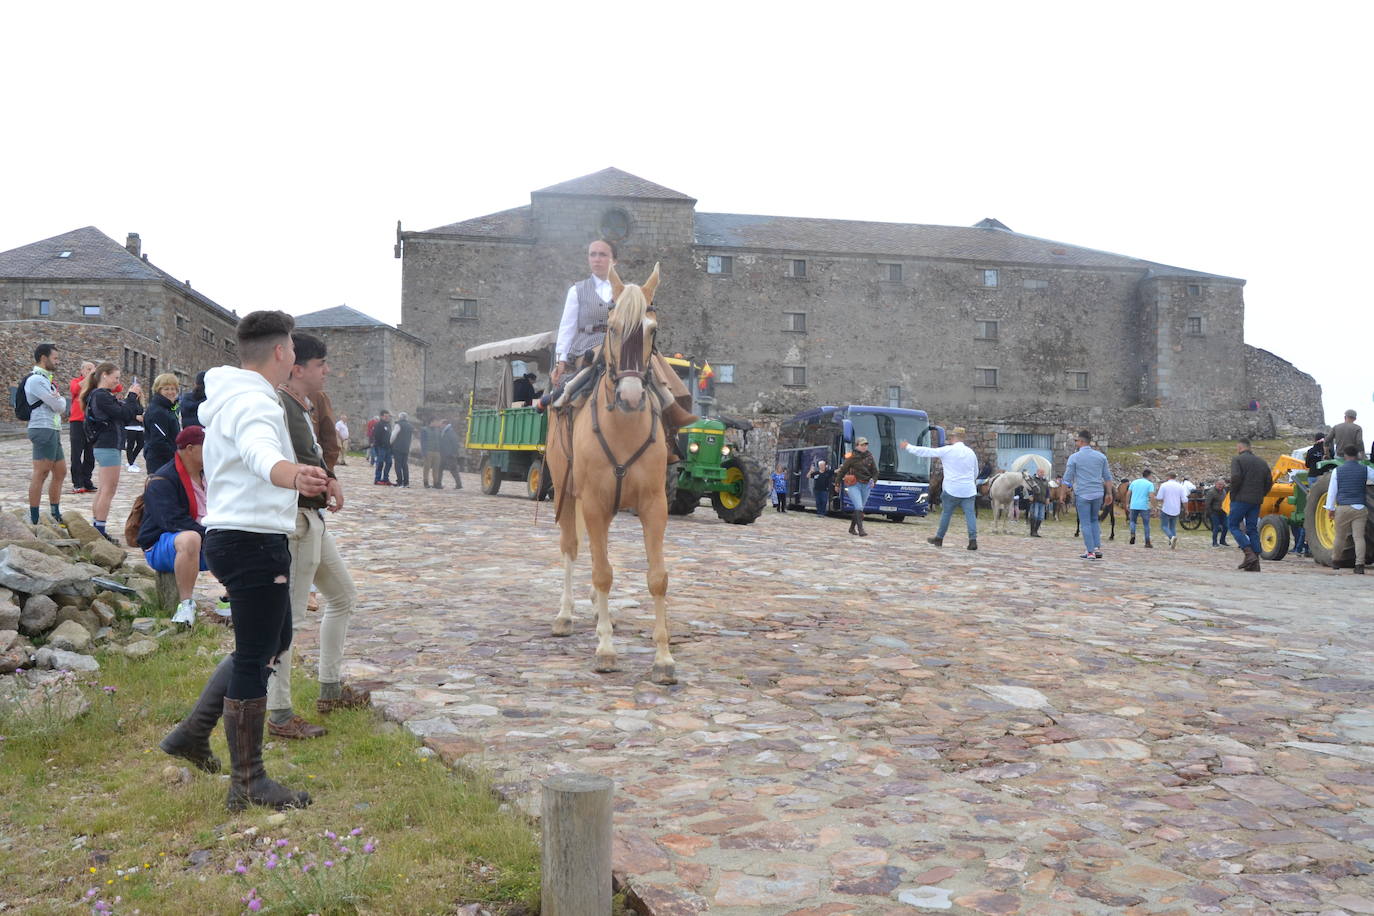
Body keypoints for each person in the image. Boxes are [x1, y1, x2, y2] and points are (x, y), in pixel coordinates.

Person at [159, 310, 328, 812]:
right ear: (282, 351)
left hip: (242, 535)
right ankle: (248, 781)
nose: (295, 356)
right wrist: (292, 475)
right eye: (294, 348)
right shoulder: (255, 400)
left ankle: (192, 733)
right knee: (257, 654)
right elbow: (259, 453)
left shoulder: (231, 395)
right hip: (252, 540)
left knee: (271, 640)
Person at [265, 332, 369, 740]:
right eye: (320, 363)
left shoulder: (303, 404)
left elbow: (314, 456)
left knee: (343, 597)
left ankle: (329, 689)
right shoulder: (280, 404)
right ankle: (279, 712)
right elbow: (286, 463)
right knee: (285, 621)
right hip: (296, 522)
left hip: (313, 521)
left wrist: (331, 479)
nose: (326, 370)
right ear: (298, 368)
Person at [548, 239, 697, 456]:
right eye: (593, 254)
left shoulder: (627, 291)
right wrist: (561, 361)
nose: (597, 259)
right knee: (596, 362)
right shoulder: (577, 291)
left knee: (652, 363)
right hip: (587, 347)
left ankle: (670, 421)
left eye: (602, 254)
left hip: (621, 344)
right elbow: (567, 327)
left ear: (614, 260)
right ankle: (568, 401)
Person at [138, 426, 211, 626]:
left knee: (240, 534)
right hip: (161, 544)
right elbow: (171, 521)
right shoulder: (162, 479)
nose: (213, 451)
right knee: (190, 538)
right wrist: (210, 534)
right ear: (190, 449)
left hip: (204, 540)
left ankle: (229, 601)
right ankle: (186, 605)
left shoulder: (209, 474)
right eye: (207, 447)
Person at [82, 363, 142, 541]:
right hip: (107, 445)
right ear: (104, 376)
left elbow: (128, 412)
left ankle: (97, 526)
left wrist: (132, 400)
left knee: (103, 489)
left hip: (106, 445)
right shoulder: (101, 396)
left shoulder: (103, 396)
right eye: (115, 377)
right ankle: (100, 530)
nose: (117, 381)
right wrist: (132, 395)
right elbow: (123, 414)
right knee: (109, 489)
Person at [901, 427, 979, 550]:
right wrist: (969, 482)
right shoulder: (971, 453)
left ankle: (939, 538)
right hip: (968, 489)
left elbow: (926, 452)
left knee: (946, 514)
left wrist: (908, 447)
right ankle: (972, 540)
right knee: (970, 515)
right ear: (963, 438)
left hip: (951, 489)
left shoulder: (948, 450)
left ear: (953, 438)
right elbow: (976, 472)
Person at [24, 343, 69, 525]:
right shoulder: (37, 380)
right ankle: (34, 517)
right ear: (44, 358)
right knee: (41, 473)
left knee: (60, 471)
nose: (57, 362)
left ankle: (55, 512)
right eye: (55, 358)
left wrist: (60, 401)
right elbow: (58, 405)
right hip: (42, 428)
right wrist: (59, 400)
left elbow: (60, 405)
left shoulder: (46, 379)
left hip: (52, 428)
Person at [1062, 430, 1114, 559]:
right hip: (1097, 493)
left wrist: (1062, 493)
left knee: (1085, 522)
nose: (1076, 443)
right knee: (1094, 520)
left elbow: (1067, 478)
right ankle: (1096, 548)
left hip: (1083, 493)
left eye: (1077, 441)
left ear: (1081, 441)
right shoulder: (1101, 457)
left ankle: (1089, 551)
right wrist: (1109, 493)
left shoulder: (1074, 458)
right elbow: (1107, 477)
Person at [1325, 444, 1374, 574]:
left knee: (1340, 537)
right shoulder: (1365, 469)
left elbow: (1332, 491)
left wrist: (1330, 508)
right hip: (1360, 507)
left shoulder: (1337, 470)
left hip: (1343, 508)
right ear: (1357, 455)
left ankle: (1335, 561)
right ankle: (1359, 565)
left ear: (1345, 456)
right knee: (1359, 537)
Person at [1227, 437, 1272, 572]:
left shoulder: (1238, 460)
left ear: (1240, 447)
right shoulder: (1262, 462)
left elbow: (1235, 478)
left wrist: (1232, 494)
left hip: (1240, 499)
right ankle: (1255, 563)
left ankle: (1248, 553)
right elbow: (1269, 481)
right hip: (1256, 500)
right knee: (1252, 528)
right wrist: (1261, 494)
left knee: (1233, 525)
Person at [836, 437, 878, 536]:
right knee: (858, 506)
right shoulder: (852, 457)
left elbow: (875, 472)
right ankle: (861, 530)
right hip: (854, 484)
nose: (864, 447)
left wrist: (874, 481)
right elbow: (842, 471)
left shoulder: (870, 457)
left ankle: (851, 528)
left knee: (859, 508)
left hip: (866, 485)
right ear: (857, 446)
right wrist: (837, 483)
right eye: (862, 445)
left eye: (865, 445)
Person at [143, 373, 182, 475]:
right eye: (166, 389)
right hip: (160, 461)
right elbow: (158, 441)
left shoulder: (168, 408)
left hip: (167, 460)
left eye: (173, 389)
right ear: (159, 390)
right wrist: (176, 457)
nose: (170, 392)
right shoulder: (158, 411)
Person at [67, 360, 97, 494]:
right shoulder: (76, 381)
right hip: (77, 422)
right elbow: (75, 389)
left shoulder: (95, 385)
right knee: (76, 454)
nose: (90, 372)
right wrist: (90, 377)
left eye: (92, 369)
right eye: (88, 369)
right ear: (82, 371)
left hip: (91, 422)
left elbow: (117, 388)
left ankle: (87, 480)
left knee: (90, 454)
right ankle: (77, 482)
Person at [1156, 471, 1187, 550]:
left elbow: (1159, 497)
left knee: (1164, 526)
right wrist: (1186, 509)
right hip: (1176, 509)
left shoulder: (1164, 485)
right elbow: (1184, 499)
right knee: (1172, 527)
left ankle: (1171, 537)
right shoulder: (1180, 486)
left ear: (1168, 476)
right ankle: (1172, 542)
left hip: (1166, 508)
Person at [1127, 469, 1156, 547]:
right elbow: (1151, 496)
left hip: (1133, 505)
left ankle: (1132, 534)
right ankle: (1147, 542)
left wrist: (1127, 503)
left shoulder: (1134, 482)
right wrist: (1154, 506)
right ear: (1149, 475)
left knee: (1132, 521)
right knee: (1146, 524)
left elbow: (1128, 493)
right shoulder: (1150, 484)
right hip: (1144, 506)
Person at [122, 385, 145, 473]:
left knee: (141, 444)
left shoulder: (139, 403)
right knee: (130, 445)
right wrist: (135, 417)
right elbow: (127, 412)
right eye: (136, 392)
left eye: (139, 392)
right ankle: (131, 463)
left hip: (139, 427)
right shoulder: (128, 401)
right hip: (130, 426)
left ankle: (131, 460)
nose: (138, 394)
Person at [439, 417, 463, 489]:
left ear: (445, 424)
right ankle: (438, 484)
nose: (440, 426)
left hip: (450, 454)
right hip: (443, 453)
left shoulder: (450, 431)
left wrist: (454, 453)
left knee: (453, 470)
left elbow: (455, 443)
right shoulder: (445, 431)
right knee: (439, 468)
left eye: (441, 424)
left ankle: (459, 484)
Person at [391, 412, 413, 488]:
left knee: (398, 465)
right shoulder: (410, 426)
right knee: (404, 465)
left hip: (398, 447)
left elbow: (394, 434)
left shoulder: (398, 424)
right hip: (406, 447)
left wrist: (390, 442)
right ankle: (406, 482)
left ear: (400, 417)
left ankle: (399, 482)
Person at [1206, 480, 1230, 548]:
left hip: (1223, 512)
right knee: (1216, 527)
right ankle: (1214, 542)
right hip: (1214, 512)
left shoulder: (1224, 491)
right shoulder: (1211, 492)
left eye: (1222, 484)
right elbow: (1207, 503)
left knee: (1226, 526)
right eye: (1219, 484)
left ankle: (1222, 540)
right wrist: (1210, 513)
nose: (1220, 486)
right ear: (1216, 484)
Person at [372, 410, 393, 485]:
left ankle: (385, 479)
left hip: (388, 448)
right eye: (385, 416)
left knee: (389, 463)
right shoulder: (378, 424)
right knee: (380, 463)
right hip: (381, 447)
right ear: (381, 416)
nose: (387, 417)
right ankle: (377, 479)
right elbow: (376, 435)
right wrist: (380, 444)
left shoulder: (388, 425)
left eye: (388, 416)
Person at [421, 416, 443, 488]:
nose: (437, 423)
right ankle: (426, 482)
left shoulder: (438, 430)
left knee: (436, 468)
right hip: (428, 451)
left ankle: (436, 483)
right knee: (426, 468)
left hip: (437, 452)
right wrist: (424, 452)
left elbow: (440, 441)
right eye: (436, 422)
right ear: (432, 422)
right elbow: (423, 442)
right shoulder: (424, 430)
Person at [1027, 467, 1049, 537]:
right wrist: (1030, 495)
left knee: (1041, 517)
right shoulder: (1033, 479)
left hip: (1042, 501)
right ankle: (1032, 531)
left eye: (1043, 472)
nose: (1042, 474)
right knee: (1034, 515)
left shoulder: (1045, 480)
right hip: (1035, 500)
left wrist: (1048, 498)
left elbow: (1047, 490)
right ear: (1037, 472)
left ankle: (1036, 531)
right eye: (1041, 472)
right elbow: (1028, 488)